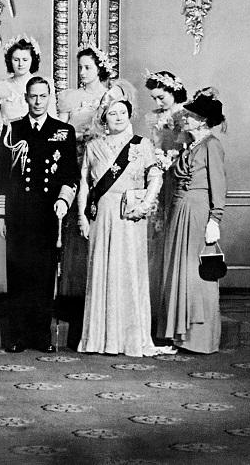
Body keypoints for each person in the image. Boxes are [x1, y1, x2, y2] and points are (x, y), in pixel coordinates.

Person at [76, 94, 174, 356]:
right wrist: (81, 216)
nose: (118, 117)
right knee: (101, 271)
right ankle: (99, 338)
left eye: (122, 112)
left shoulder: (141, 145)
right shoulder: (93, 146)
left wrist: (145, 204)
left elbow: (155, 176)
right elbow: (85, 183)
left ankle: (129, 339)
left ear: (128, 115)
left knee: (128, 272)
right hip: (101, 215)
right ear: (103, 117)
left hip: (129, 216)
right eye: (112, 113)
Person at [0, 76, 78, 353]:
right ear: (26, 98)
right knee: (18, 274)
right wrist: (0, 215)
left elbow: (70, 174)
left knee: (43, 276)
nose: (38, 101)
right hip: (18, 214)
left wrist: (64, 201)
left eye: (43, 96)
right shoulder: (13, 129)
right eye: (33, 96)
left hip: (47, 214)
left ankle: (40, 335)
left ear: (49, 97)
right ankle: (17, 335)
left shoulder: (63, 131)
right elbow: (1, 176)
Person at [158, 88, 227, 354]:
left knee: (197, 274)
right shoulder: (191, 145)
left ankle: (200, 338)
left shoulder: (211, 145)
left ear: (201, 120)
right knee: (180, 272)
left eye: (191, 114)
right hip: (180, 211)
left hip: (198, 213)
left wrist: (215, 219)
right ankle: (179, 336)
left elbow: (218, 185)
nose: (185, 117)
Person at [0, 35, 47, 292]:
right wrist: (11, 125)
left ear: (33, 60)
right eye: (16, 59)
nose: (20, 63)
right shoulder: (0, 88)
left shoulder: (42, 85)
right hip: (9, 148)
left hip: (36, 151)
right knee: (7, 202)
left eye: (25, 59)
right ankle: (2, 276)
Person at [55, 44, 113, 347]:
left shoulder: (110, 95)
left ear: (99, 68)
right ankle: (72, 291)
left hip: (100, 163)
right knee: (72, 227)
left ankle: (98, 288)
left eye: (88, 67)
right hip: (75, 158)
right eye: (80, 68)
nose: (84, 72)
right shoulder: (70, 97)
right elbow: (62, 131)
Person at [144, 70, 190, 312]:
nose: (157, 103)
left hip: (179, 176)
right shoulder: (152, 118)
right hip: (159, 174)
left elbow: (191, 149)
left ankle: (173, 301)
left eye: (161, 97)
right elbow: (153, 146)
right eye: (154, 98)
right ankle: (154, 301)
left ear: (173, 91)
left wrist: (172, 160)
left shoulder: (187, 115)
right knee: (156, 234)